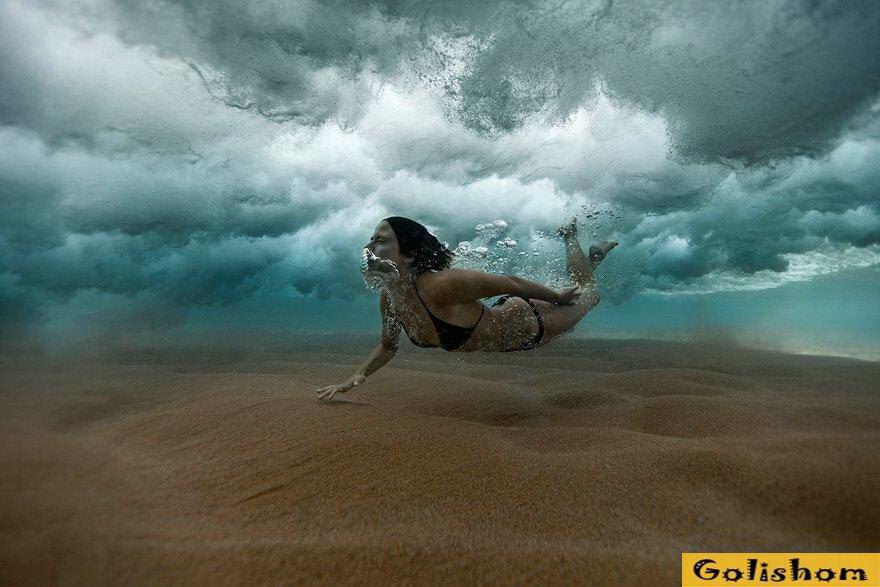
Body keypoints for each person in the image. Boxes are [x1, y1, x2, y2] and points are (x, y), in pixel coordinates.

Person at [316, 216, 617, 400]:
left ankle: (570, 236)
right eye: (371, 239)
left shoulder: (439, 285)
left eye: (380, 240)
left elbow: (509, 282)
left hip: (533, 322)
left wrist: (555, 297)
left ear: (408, 254)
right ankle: (591, 260)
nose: (369, 246)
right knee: (582, 288)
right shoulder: (390, 299)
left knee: (590, 295)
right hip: (515, 332)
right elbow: (387, 346)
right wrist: (355, 377)